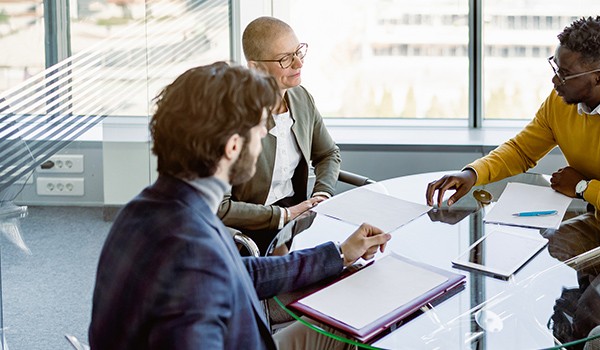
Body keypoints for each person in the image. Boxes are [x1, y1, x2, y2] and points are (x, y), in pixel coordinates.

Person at [90, 62, 390, 349]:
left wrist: (338, 254)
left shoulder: (147, 209)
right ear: (233, 147)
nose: (263, 135)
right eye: (260, 127)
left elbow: (240, 273)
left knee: (344, 328)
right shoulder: (191, 257)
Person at [425, 16, 600, 299]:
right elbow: (522, 150)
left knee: (596, 305)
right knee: (536, 264)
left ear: (599, 78)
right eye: (555, 66)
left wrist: (583, 187)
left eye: (566, 74)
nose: (555, 79)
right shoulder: (562, 102)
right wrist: (471, 174)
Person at [218, 16, 342, 254]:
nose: (298, 63)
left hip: (296, 221)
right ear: (255, 67)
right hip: (244, 229)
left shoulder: (301, 98)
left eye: (298, 52)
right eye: (285, 58)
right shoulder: (232, 116)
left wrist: (322, 194)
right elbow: (218, 206)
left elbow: (328, 154)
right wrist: (285, 215)